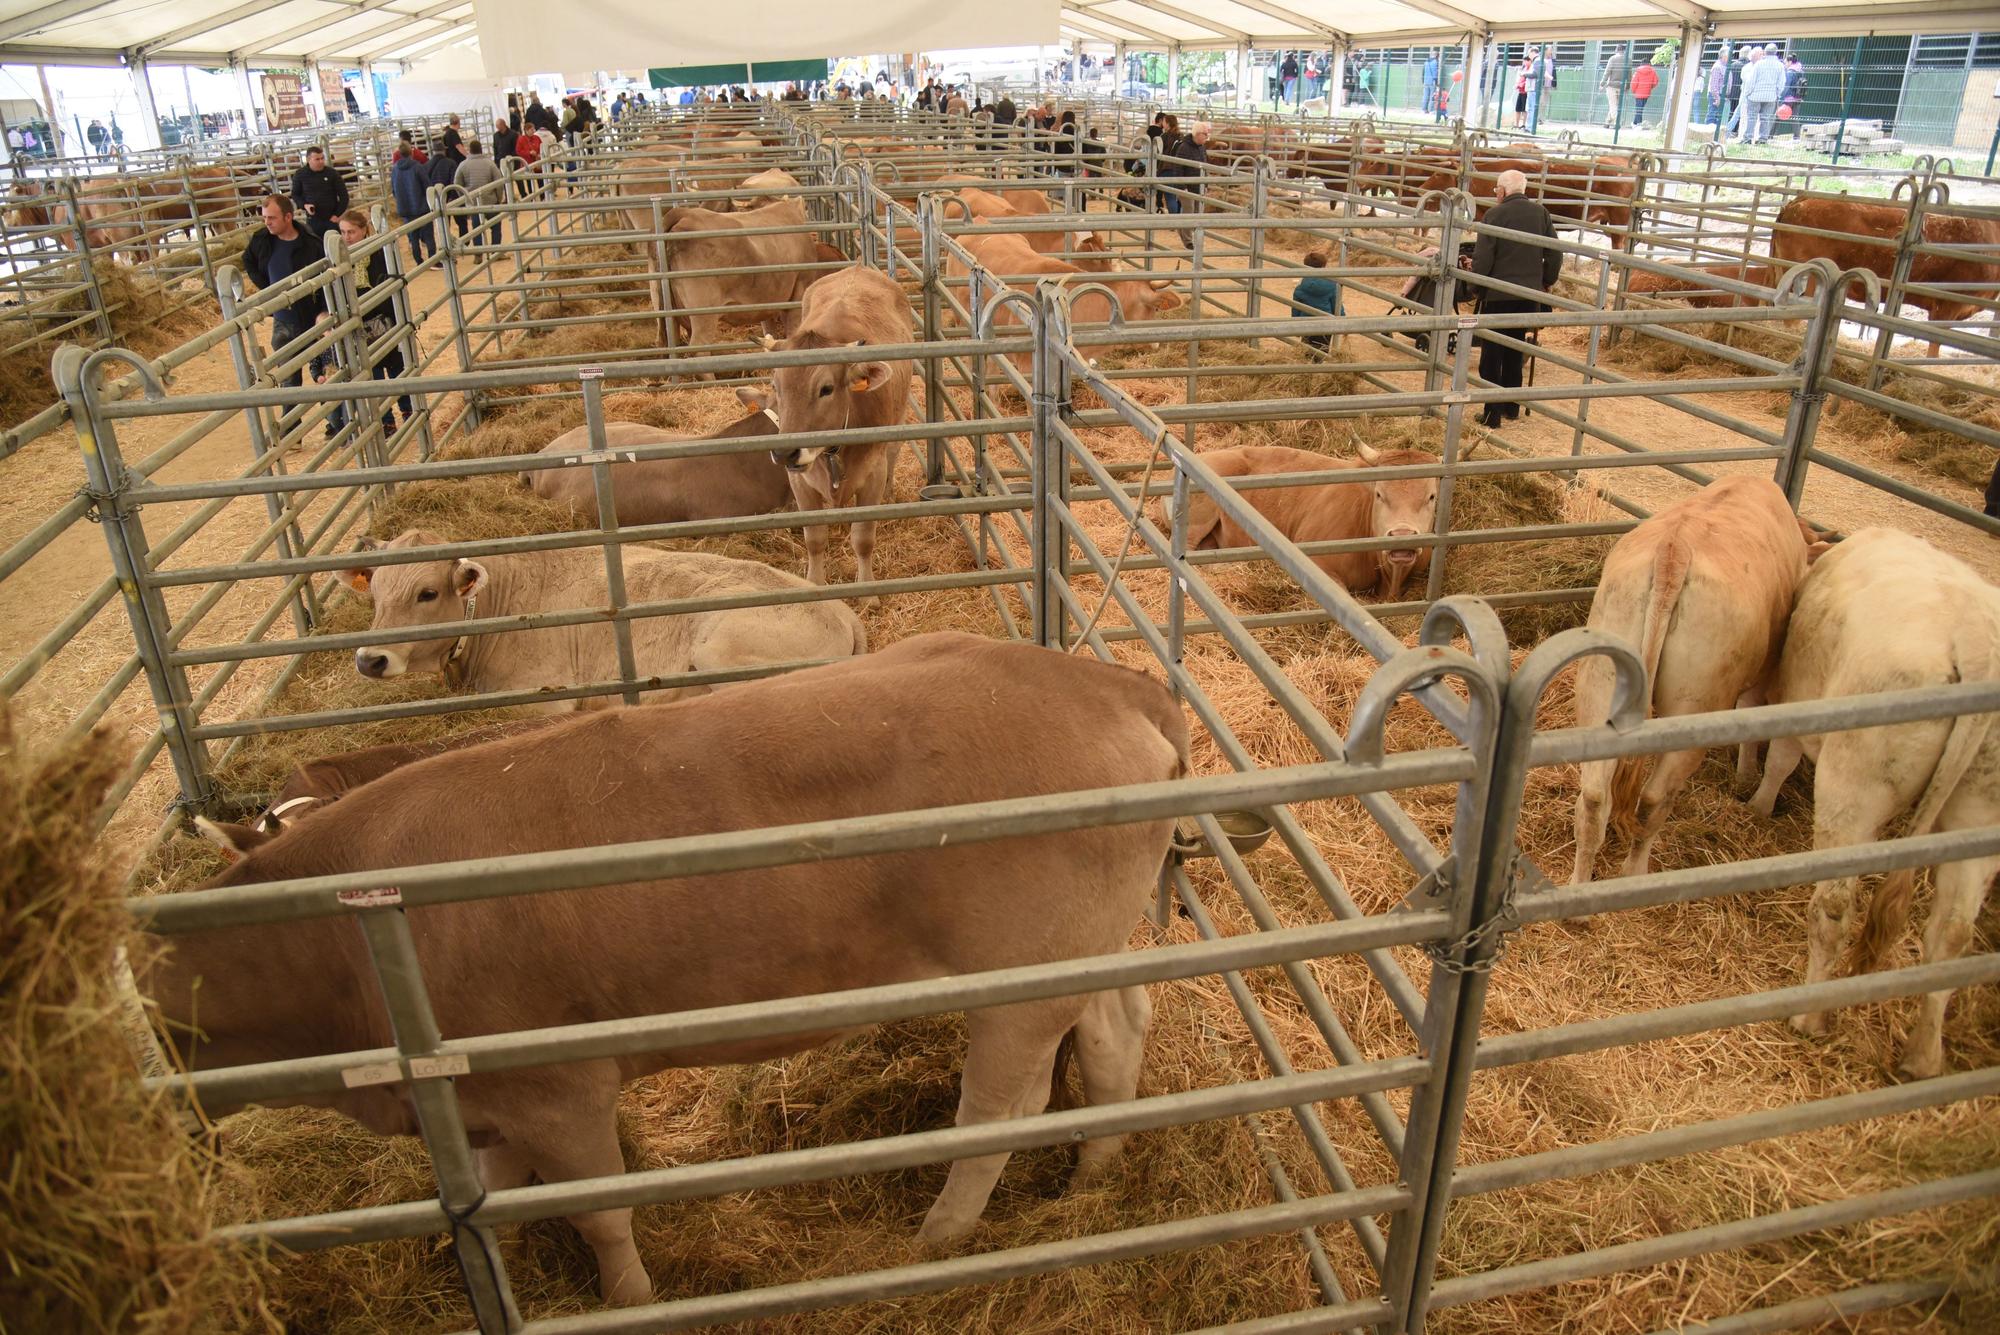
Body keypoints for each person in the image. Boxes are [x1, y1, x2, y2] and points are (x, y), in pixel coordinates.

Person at [1467, 170, 1561, 428]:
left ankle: (1491, 414)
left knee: (1491, 354)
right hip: (1526, 295)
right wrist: (1545, 281)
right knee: (1514, 348)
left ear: (1502, 190)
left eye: (1495, 190)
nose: (1495, 194)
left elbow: (1484, 259)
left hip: (1497, 295)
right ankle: (1511, 407)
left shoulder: (1494, 215)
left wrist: (1476, 285)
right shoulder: (1540, 213)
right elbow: (1554, 252)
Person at [332, 209, 412, 435]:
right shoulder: (339, 261)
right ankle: (386, 420)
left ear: (365, 230)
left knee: (396, 368)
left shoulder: (379, 251)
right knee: (373, 372)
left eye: (352, 232)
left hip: (385, 319)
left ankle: (407, 410)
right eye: (343, 232)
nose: (347, 237)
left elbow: (392, 283)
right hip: (360, 325)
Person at [240, 195, 326, 402]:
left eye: (272, 218)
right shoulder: (262, 239)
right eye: (264, 218)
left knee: (324, 376)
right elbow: (247, 260)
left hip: (311, 319)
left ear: (288, 217)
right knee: (288, 384)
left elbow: (324, 278)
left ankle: (335, 425)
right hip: (282, 322)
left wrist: (323, 311)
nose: (267, 222)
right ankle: (292, 432)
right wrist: (267, 287)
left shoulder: (310, 243)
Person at [289, 146, 349, 239]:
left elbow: (344, 196)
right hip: (313, 220)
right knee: (316, 246)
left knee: (335, 245)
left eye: (322, 158)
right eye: (317, 159)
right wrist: (304, 205)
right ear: (308, 159)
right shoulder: (300, 174)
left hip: (331, 219)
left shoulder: (332, 173)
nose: (321, 161)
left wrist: (337, 215)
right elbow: (295, 194)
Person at [1291, 251, 1343, 357]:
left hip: (1306, 323)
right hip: (1325, 324)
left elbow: (1296, 307)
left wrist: (1295, 325)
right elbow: (1336, 305)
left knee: (1306, 350)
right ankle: (1318, 369)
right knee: (1322, 350)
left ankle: (1307, 369)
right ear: (1323, 266)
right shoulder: (1332, 286)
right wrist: (1343, 319)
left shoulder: (1300, 286)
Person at [454, 139, 501, 244]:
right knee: (496, 226)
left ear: (469, 150)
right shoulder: (490, 163)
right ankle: (496, 250)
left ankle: (478, 253)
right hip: (490, 201)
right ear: (481, 150)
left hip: (473, 202)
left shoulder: (463, 165)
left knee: (477, 229)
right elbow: (499, 182)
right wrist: (499, 197)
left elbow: (457, 184)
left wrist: (464, 198)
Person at [390, 145, 432, 263]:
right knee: (428, 234)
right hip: (421, 206)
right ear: (411, 153)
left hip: (405, 208)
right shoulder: (417, 167)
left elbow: (393, 189)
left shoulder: (395, 169)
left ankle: (418, 261)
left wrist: (400, 200)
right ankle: (433, 259)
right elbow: (427, 185)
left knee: (413, 237)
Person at [1741, 44, 1784, 145]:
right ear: (1776, 52)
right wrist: (1777, 94)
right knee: (1766, 118)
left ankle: (1748, 138)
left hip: (1755, 95)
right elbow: (1781, 83)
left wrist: (1747, 93)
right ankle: (1763, 139)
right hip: (1770, 96)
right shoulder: (1780, 65)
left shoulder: (1759, 64)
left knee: (1752, 117)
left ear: (1765, 52)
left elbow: (1751, 80)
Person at [1599, 46, 1626, 128]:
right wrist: (1627, 86)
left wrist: (1602, 83)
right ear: (1624, 50)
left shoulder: (1612, 59)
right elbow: (1629, 74)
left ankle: (1616, 123)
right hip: (1622, 86)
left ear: (1616, 50)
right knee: (1615, 105)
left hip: (1611, 85)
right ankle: (1607, 122)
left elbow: (1607, 72)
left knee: (1613, 105)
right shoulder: (1628, 59)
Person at [1630, 54, 1660, 127]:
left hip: (1638, 93)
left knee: (1639, 109)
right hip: (1646, 93)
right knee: (1640, 109)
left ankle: (1639, 124)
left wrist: (1633, 91)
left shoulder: (1638, 72)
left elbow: (1634, 83)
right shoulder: (1653, 71)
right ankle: (1634, 123)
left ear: (1641, 64)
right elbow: (1656, 81)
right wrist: (1650, 87)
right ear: (1649, 64)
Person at [1422, 51, 1440, 119]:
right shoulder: (1435, 62)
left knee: (1425, 95)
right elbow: (1435, 73)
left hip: (1426, 81)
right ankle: (1431, 110)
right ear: (1436, 56)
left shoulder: (1426, 62)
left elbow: (1423, 72)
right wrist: (1436, 82)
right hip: (1432, 81)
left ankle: (1424, 109)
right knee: (1432, 96)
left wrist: (1423, 80)